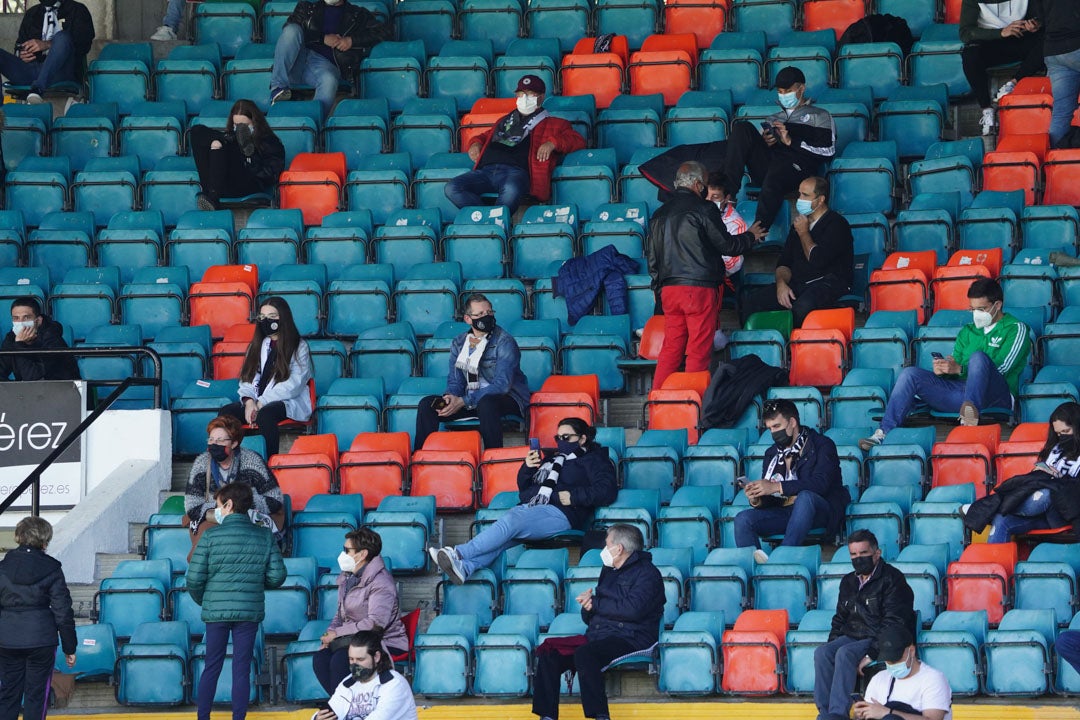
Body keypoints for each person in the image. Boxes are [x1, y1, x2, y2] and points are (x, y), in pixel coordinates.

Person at [430, 417, 617, 585]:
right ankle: (466, 568)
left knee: (512, 521)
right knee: (505, 535)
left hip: (563, 513)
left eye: (566, 437)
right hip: (534, 507)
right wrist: (527, 468)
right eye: (558, 438)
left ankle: (459, 553)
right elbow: (525, 490)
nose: (561, 442)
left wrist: (574, 496)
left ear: (582, 439)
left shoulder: (594, 460)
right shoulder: (552, 460)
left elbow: (607, 490)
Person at [860, 278, 1031, 450]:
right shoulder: (968, 331)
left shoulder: (1016, 328)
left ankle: (968, 425)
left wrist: (961, 369)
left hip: (996, 395)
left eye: (982, 309)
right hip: (962, 394)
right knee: (910, 374)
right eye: (972, 309)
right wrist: (946, 369)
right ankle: (883, 432)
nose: (976, 314)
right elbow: (957, 364)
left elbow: (1003, 368)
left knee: (978, 358)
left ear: (998, 305)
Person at [646, 160, 765, 390]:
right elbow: (727, 246)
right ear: (699, 185)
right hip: (698, 289)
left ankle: (657, 401)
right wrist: (750, 236)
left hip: (669, 290)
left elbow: (653, 258)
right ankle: (693, 405)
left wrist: (656, 289)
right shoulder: (704, 209)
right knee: (698, 350)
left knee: (671, 348)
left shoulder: (659, 214)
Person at [532, 524, 663, 720]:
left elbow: (632, 610)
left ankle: (599, 715)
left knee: (586, 653)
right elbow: (595, 613)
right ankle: (547, 716)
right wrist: (588, 607)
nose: (604, 548)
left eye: (607, 543)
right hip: (600, 635)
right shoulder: (609, 570)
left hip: (632, 637)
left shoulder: (648, 574)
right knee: (549, 652)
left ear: (618, 548)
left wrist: (596, 604)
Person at [186, 482, 287, 720]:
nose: (216, 510)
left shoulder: (210, 535)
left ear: (229, 505)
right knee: (241, 668)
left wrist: (207, 600)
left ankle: (203, 717)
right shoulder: (264, 535)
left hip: (215, 613)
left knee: (212, 666)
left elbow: (193, 578)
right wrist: (254, 585)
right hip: (248, 611)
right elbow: (278, 575)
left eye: (218, 505)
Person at [444, 74, 586, 214]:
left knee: (511, 190)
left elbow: (577, 141)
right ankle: (488, 219)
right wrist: (475, 144)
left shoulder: (555, 123)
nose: (524, 99)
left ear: (541, 97)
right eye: (520, 94)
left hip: (516, 173)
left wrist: (552, 143)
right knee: (452, 187)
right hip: (486, 171)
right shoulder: (505, 121)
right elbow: (484, 137)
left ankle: (493, 222)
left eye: (530, 94)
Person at [815, 529, 917, 720]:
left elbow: (894, 623)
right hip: (851, 635)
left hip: (876, 636)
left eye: (863, 553)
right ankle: (825, 712)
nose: (858, 558)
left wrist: (871, 654)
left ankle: (838, 714)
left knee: (844, 654)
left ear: (877, 554)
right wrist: (832, 643)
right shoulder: (848, 582)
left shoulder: (893, 579)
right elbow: (840, 619)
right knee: (823, 652)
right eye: (853, 554)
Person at [733, 398, 850, 562]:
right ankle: (755, 571)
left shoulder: (822, 445)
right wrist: (757, 498)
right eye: (770, 429)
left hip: (820, 510)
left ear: (792, 422)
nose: (774, 433)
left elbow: (821, 484)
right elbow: (772, 497)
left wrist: (776, 487)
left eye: (777, 426)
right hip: (786, 511)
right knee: (742, 519)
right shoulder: (771, 453)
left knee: (805, 497)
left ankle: (782, 559)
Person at [721, 66, 835, 230]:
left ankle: (759, 231)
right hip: (771, 166)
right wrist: (766, 142)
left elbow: (828, 150)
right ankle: (728, 194)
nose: (783, 95)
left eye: (787, 90)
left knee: (777, 170)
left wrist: (791, 141)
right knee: (742, 128)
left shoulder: (820, 116)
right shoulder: (774, 118)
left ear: (801, 88)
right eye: (780, 91)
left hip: (799, 170)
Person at [414, 293, 530, 451]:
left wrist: (463, 401)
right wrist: (452, 398)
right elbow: (456, 381)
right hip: (471, 399)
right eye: (480, 314)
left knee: (486, 403)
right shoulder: (460, 342)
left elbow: (502, 386)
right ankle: (420, 461)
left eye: (489, 312)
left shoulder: (505, 342)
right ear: (468, 319)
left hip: (506, 399)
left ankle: (493, 460)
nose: (486, 316)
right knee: (427, 405)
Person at [739, 176, 854, 328]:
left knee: (802, 308)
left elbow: (817, 260)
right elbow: (784, 263)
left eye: (805, 195)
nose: (800, 199)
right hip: (798, 284)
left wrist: (804, 233)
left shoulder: (837, 224)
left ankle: (792, 349)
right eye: (799, 194)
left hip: (829, 284)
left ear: (820, 200)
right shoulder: (798, 225)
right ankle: (762, 348)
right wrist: (781, 285)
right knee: (751, 303)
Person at [961, 401, 1080, 542]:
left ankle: (988, 509)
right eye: (1059, 434)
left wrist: (1058, 477)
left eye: (1066, 432)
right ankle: (995, 563)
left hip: (1063, 513)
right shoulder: (1055, 449)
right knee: (1002, 520)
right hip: (1039, 513)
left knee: (1048, 493)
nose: (1062, 437)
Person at [313, 528, 408, 695]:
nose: (342, 554)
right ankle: (341, 704)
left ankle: (344, 707)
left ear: (362, 554)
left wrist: (337, 634)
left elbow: (374, 624)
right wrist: (330, 634)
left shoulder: (381, 582)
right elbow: (340, 614)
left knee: (340, 660)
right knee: (320, 658)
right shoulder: (347, 578)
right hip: (352, 640)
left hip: (384, 641)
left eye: (346, 550)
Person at [0, 516, 76, 720]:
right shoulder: (52, 567)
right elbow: (63, 610)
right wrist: (70, 647)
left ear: (19, 536)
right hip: (41, 639)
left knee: (8, 696)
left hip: (7, 639)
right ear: (45, 540)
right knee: (36, 697)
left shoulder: (2, 567)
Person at [219, 296, 312, 457]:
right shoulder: (256, 346)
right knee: (227, 413)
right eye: (262, 317)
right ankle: (228, 459)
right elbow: (247, 378)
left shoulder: (299, 346)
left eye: (272, 317)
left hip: (285, 400)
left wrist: (262, 402)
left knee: (266, 414)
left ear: (283, 318)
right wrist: (249, 402)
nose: (266, 321)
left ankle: (270, 464)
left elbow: (294, 384)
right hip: (256, 401)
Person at [270, 0, 391, 118]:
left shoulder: (357, 14)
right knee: (292, 30)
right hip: (297, 58)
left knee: (329, 81)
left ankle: (312, 125)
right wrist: (322, 38)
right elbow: (289, 30)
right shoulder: (306, 7)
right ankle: (278, 88)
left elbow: (385, 31)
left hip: (325, 63)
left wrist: (351, 40)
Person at [184, 415, 286, 542]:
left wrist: (241, 504)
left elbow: (275, 500)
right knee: (208, 537)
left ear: (234, 443)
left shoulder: (253, 461)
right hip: (214, 519)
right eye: (211, 440)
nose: (214, 444)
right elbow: (192, 507)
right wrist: (221, 508)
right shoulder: (201, 464)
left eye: (220, 440)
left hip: (248, 517)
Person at [960, 0, 1044, 136]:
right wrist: (1001, 33)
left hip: (1020, 38)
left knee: (1050, 40)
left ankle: (1014, 82)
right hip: (990, 42)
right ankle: (987, 110)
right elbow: (965, 33)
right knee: (970, 55)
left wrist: (1035, 24)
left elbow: (1042, 17)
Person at [189, 99, 286, 211]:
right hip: (224, 183)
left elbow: (271, 175)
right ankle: (211, 195)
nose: (238, 128)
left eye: (244, 125)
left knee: (222, 146)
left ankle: (212, 197)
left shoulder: (270, 142)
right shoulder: (230, 138)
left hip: (250, 183)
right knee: (198, 132)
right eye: (236, 125)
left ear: (255, 122)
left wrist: (251, 158)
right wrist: (219, 141)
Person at [0, 0, 94, 105]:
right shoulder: (32, 14)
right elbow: (19, 45)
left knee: (62, 37)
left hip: (61, 72)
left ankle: (38, 89)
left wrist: (47, 44)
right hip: (31, 71)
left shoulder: (77, 10)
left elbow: (84, 44)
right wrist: (21, 54)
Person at [312, 630, 418, 720]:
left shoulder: (394, 684)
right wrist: (317, 718)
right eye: (351, 659)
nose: (354, 665)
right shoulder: (348, 683)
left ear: (376, 657)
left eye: (360, 659)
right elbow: (333, 709)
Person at [852, 626, 952, 720]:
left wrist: (887, 712)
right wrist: (861, 713)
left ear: (911, 651)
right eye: (888, 661)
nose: (892, 664)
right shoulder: (879, 678)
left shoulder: (933, 679)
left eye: (896, 659)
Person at [705, 170, 749, 351]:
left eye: (714, 196)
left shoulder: (736, 223)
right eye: (706, 194)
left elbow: (732, 265)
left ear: (726, 198)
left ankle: (714, 334)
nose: (708, 200)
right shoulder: (696, 214)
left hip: (724, 277)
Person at [0, 296, 79, 381]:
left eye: (26, 317)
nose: (20, 323)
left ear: (38, 321)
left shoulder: (52, 340)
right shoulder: (11, 338)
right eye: (16, 318)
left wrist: (19, 345)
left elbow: (33, 378)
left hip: (63, 390)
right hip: (29, 392)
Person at [1037, 0, 1080, 147]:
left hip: (1053, 51)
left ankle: (1057, 164)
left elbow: (1039, 19)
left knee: (1061, 113)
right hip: (1076, 46)